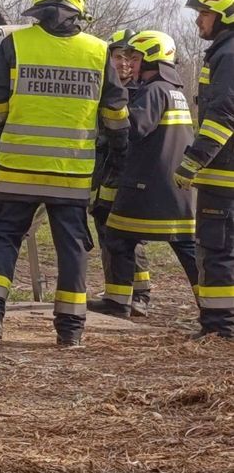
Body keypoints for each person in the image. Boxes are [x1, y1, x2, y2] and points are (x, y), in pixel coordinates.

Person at [0, 0, 129, 347]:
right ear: (79, 7)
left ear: (40, 4)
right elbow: (116, 117)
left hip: (17, 169)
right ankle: (70, 330)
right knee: (71, 248)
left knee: (2, 240)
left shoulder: (17, 45)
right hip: (72, 173)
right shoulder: (98, 52)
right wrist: (117, 156)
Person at [89, 31, 198, 318]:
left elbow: (134, 128)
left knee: (118, 236)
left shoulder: (153, 91)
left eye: (136, 58)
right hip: (173, 185)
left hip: (148, 184)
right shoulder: (174, 90)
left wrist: (113, 104)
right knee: (185, 247)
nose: (132, 65)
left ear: (152, 59)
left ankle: (119, 300)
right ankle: (212, 304)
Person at [175, 0, 234, 338]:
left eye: (204, 13)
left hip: (224, 175)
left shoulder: (228, 54)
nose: (198, 20)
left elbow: (224, 112)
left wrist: (195, 159)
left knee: (218, 251)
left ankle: (219, 328)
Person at [89, 29, 153, 316]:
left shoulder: (142, 93)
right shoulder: (101, 89)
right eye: (118, 57)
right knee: (106, 230)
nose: (124, 64)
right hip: (104, 174)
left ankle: (139, 295)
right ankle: (117, 293)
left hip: (129, 175)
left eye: (130, 58)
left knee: (130, 235)